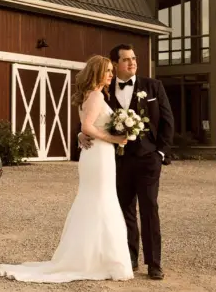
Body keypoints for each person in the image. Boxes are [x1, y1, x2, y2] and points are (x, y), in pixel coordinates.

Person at [0, 55, 134, 283]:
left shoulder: (91, 95)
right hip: (98, 155)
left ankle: (97, 257)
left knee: (99, 200)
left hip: (98, 154)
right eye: (108, 71)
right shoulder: (96, 95)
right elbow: (87, 126)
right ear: (97, 73)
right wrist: (112, 138)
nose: (111, 74)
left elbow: (86, 128)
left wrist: (101, 136)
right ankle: (97, 260)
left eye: (112, 70)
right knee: (101, 200)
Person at [78, 43, 174, 280]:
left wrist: (161, 153)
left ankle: (154, 263)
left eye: (134, 58)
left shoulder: (153, 86)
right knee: (124, 209)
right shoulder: (105, 92)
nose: (132, 63)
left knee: (149, 208)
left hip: (148, 159)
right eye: (126, 60)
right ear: (115, 64)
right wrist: (81, 134)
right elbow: (92, 118)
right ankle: (129, 258)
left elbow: (168, 121)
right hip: (117, 161)